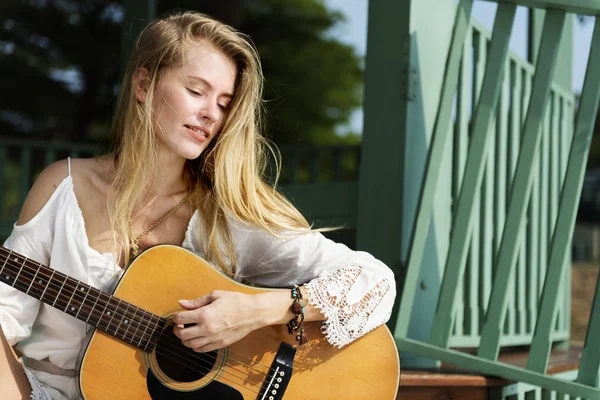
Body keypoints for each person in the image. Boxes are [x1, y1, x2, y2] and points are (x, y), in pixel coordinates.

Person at [0, 10, 396, 400]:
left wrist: (256, 311)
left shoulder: (226, 214)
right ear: (143, 85)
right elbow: (6, 311)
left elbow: (375, 284)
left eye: (224, 103)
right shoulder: (64, 184)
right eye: (196, 91)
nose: (211, 114)